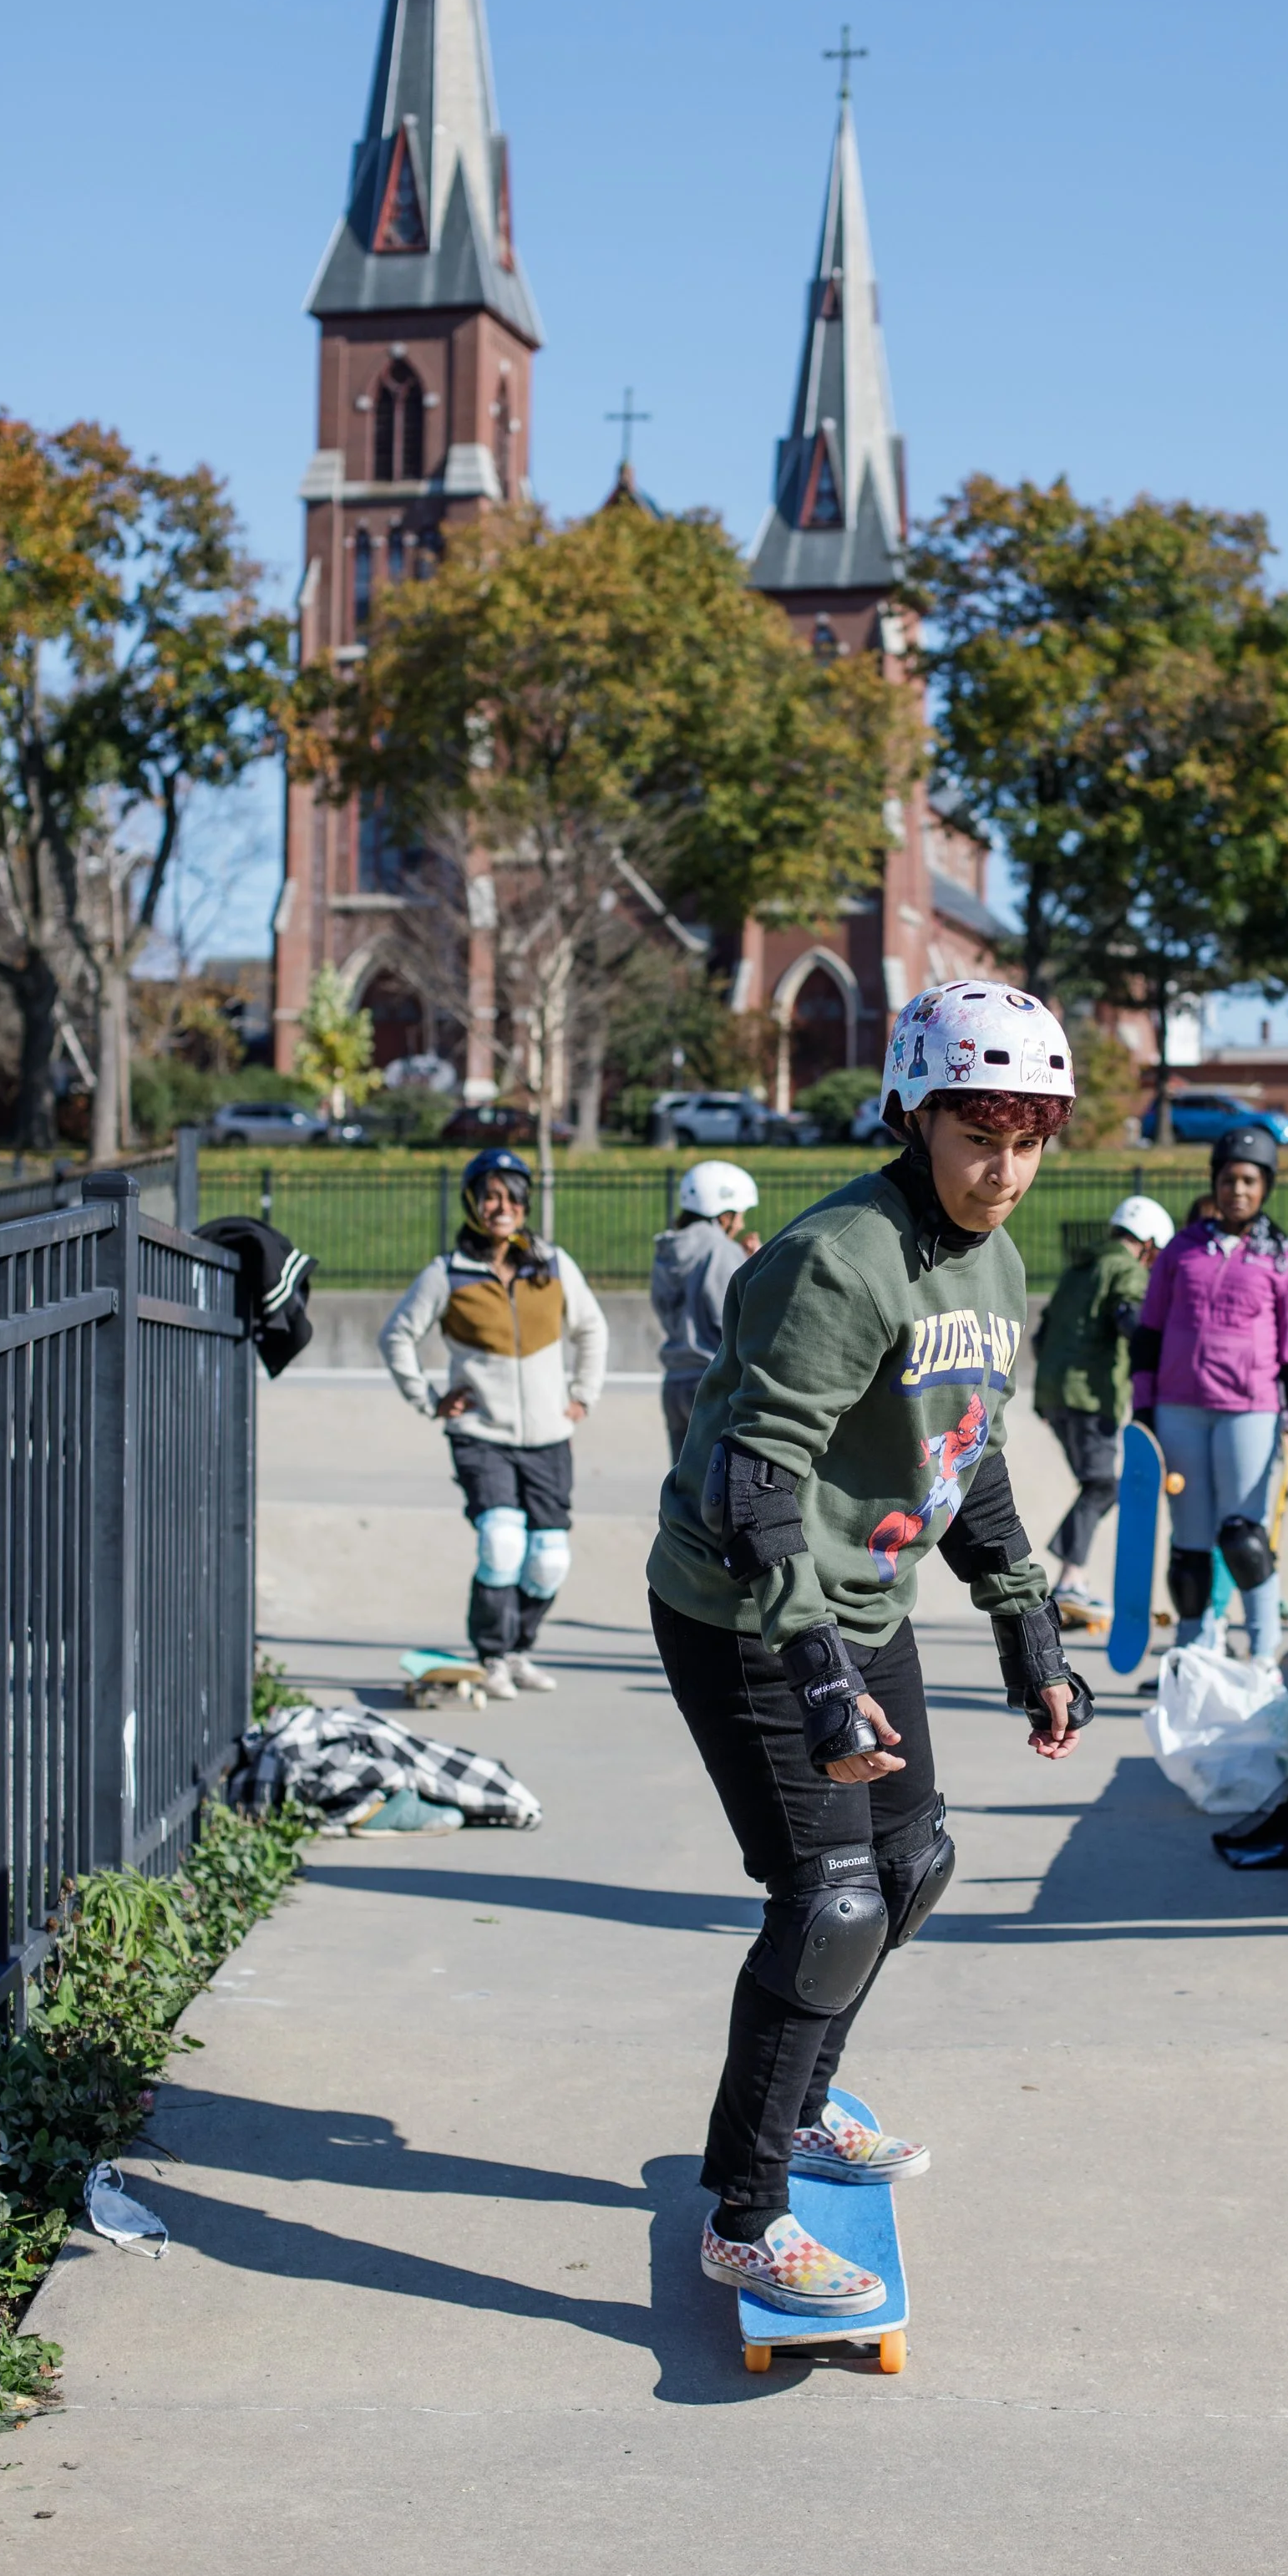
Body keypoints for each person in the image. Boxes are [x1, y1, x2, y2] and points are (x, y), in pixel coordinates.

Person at [647, 981, 1090, 2318]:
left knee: (911, 1864)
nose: (1003, 1166)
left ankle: (803, 2096)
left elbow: (971, 1450)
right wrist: (819, 1677)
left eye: (1030, 1135)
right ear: (914, 1110)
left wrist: (1027, 1625)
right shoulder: (843, 1258)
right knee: (827, 1900)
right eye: (977, 1132)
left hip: (870, 1600)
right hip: (749, 1607)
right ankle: (745, 2212)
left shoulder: (999, 1260)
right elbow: (749, 1476)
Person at [379, 1146, 607, 1700]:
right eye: (490, 1196)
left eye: (511, 1196)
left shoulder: (552, 1265)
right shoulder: (447, 1273)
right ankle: (491, 1654)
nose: (500, 1206)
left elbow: (592, 1328)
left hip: (549, 1437)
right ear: (473, 1203)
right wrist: (429, 1399)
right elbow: (397, 1335)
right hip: (482, 1436)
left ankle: (518, 1649)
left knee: (550, 1558)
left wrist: (582, 1396)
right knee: (502, 1542)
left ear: (525, 1205)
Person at [1130, 1127, 1288, 1664]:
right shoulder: (1181, 1253)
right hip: (1178, 1410)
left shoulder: (1285, 1260)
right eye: (1229, 1179)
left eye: (1249, 1181)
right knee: (1190, 1547)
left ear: (1266, 1188)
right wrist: (1143, 1411)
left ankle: (1264, 1651)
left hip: (1250, 1411)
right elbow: (1149, 1336)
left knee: (1243, 1538)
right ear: (1214, 1183)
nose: (1237, 1190)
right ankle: (1195, 1649)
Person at [1033, 1193, 1175, 1630]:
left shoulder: (1078, 1269)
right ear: (1148, 1242)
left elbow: (1042, 1335)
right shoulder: (1126, 1269)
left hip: (1052, 1392)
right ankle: (1069, 1580)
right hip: (1090, 1396)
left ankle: (1072, 1584)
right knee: (1102, 1486)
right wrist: (1154, 1357)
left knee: (1093, 1485)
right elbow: (1126, 1313)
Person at [651, 1160, 762, 1463]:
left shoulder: (668, 1250)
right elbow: (736, 1315)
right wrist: (754, 1268)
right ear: (723, 1214)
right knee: (719, 1494)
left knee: (684, 1490)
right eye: (738, 1215)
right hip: (713, 1382)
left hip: (675, 1381)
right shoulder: (719, 1250)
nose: (739, 1225)